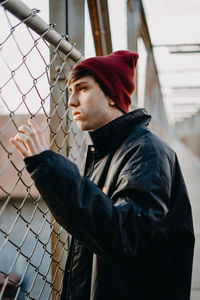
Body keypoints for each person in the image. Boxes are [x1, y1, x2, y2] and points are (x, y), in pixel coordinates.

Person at [10, 50, 195, 300]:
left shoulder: (146, 153)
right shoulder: (109, 151)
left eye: (82, 89)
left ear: (111, 95)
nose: (71, 101)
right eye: (70, 91)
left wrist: (48, 166)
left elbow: (125, 236)